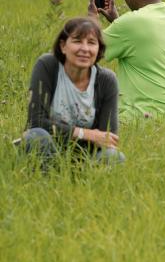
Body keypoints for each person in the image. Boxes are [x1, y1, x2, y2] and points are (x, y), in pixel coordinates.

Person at [22, 18, 124, 166]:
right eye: (77, 41)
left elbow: (107, 137)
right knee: (36, 136)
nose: (85, 48)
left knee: (114, 156)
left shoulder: (106, 80)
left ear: (99, 49)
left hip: (85, 157)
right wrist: (85, 133)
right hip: (47, 149)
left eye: (91, 42)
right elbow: (36, 121)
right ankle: (48, 181)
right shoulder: (48, 66)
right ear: (63, 46)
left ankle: (88, 184)